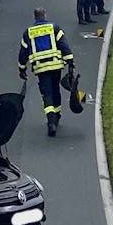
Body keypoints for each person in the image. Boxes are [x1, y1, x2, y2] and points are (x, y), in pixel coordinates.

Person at [18, 8, 74, 137]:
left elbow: (23, 52)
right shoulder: (54, 28)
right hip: (56, 66)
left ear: (35, 17)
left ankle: (51, 122)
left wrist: (22, 69)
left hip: (41, 68)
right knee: (56, 90)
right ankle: (57, 115)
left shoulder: (28, 32)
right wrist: (70, 62)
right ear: (45, 15)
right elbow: (63, 45)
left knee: (46, 94)